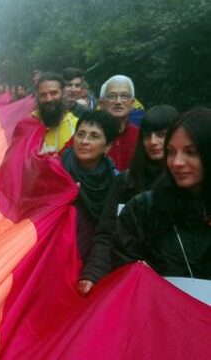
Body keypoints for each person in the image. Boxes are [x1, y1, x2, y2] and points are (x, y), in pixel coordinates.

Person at [78, 105, 181, 294]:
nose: (153, 142)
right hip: (128, 281)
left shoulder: (187, 184)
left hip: (175, 286)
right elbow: (106, 234)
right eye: (147, 135)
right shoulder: (125, 182)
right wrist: (93, 273)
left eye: (161, 135)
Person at [105, 108, 210, 282]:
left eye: (191, 152)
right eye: (171, 152)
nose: (177, 162)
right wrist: (137, 273)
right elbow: (122, 264)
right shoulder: (143, 210)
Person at [61, 111, 119, 265]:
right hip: (56, 249)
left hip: (91, 257)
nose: (84, 141)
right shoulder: (57, 169)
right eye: (80, 134)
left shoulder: (114, 181)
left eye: (94, 136)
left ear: (107, 146)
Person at [23, 72, 78, 155]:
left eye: (53, 93)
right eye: (43, 95)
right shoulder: (27, 127)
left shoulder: (76, 126)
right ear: (38, 97)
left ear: (63, 93)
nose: (48, 99)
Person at [99, 75, 140, 170]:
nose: (118, 101)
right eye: (112, 96)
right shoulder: (88, 134)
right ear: (101, 104)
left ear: (132, 103)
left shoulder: (141, 136)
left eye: (125, 96)